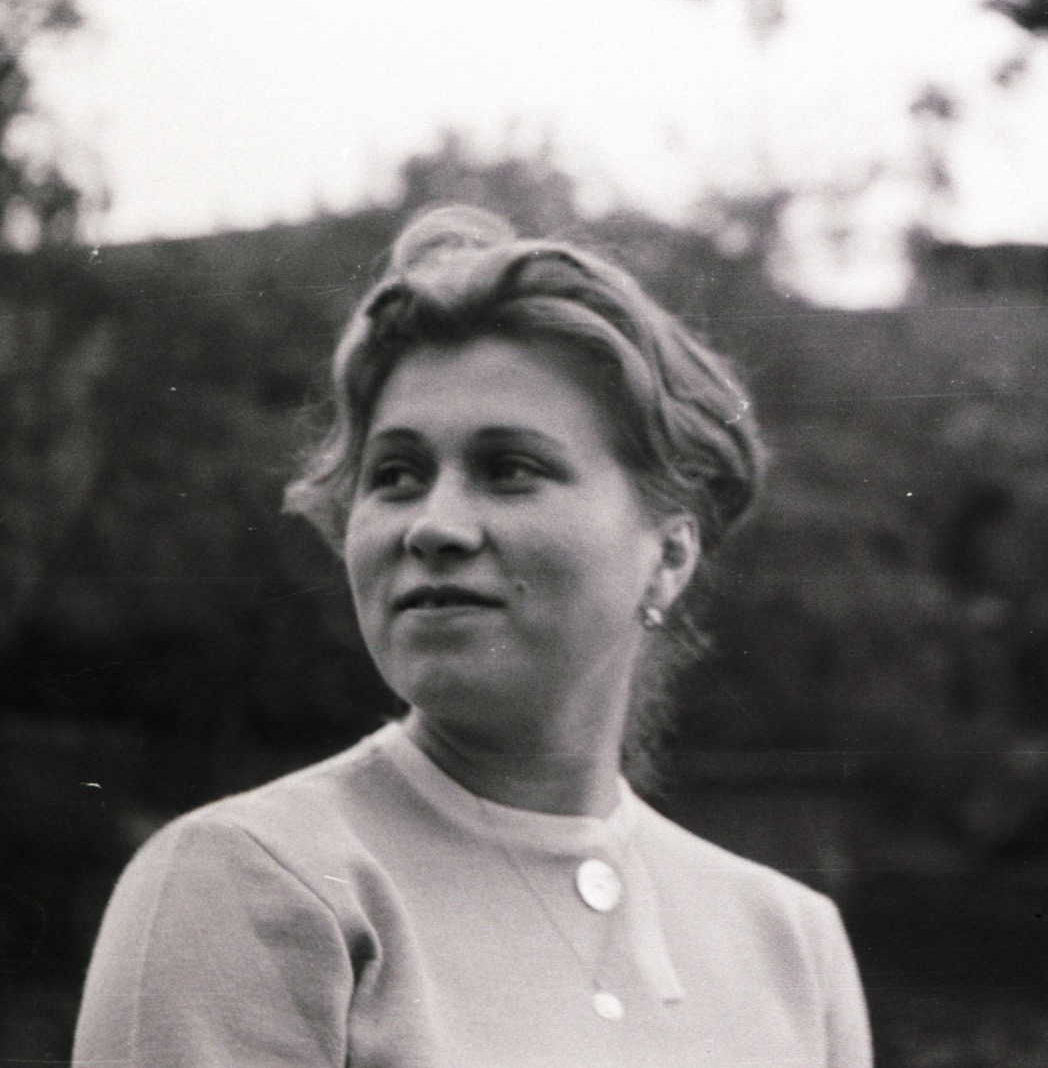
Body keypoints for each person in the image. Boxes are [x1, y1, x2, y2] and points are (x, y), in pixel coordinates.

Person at [72, 205, 872, 1067]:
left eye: (510, 469)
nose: (433, 525)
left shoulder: (794, 944)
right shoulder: (251, 880)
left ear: (669, 554)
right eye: (397, 474)